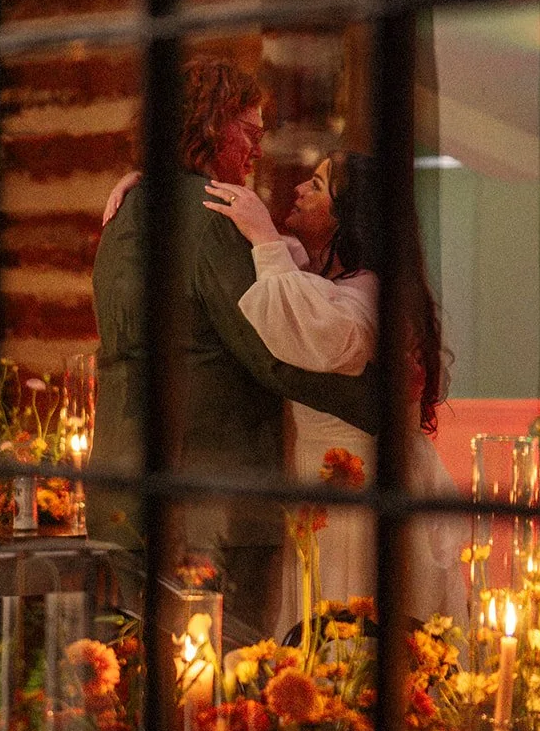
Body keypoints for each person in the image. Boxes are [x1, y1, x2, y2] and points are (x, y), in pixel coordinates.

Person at [88, 59, 382, 635]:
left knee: (135, 678)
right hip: (207, 509)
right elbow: (267, 349)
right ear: (212, 126)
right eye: (249, 130)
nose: (258, 146)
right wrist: (379, 403)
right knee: (220, 694)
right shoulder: (209, 214)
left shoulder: (124, 215)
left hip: (119, 488)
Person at [201, 151, 462, 624]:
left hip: (356, 497)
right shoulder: (328, 279)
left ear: (349, 219)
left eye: (318, 186)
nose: (299, 188)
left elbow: (308, 332)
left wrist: (262, 235)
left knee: (346, 634)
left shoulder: (368, 292)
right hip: (327, 489)